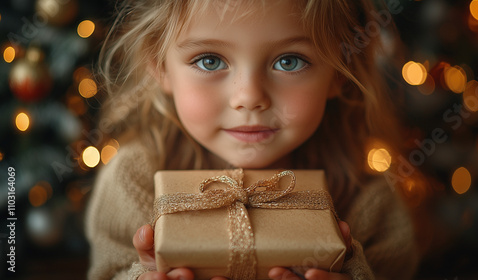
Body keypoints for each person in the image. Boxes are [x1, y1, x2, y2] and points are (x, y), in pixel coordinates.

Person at [85, 0, 420, 279]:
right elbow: (108, 269)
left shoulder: (366, 198)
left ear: (340, 71)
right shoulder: (135, 176)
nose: (248, 97)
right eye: (210, 60)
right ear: (160, 65)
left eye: (289, 61)